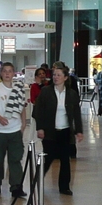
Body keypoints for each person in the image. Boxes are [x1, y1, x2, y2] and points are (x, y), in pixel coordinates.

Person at [33, 62, 84, 194]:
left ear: (66, 77)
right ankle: (37, 180)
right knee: (48, 158)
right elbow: (38, 111)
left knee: (65, 160)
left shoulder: (72, 94)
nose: (55, 77)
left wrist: (78, 131)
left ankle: (64, 187)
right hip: (50, 131)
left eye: (59, 75)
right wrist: (40, 128)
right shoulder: (46, 92)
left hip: (65, 131)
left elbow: (76, 114)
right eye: (54, 75)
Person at [0, 62, 28, 197]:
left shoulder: (18, 88)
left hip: (15, 129)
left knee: (15, 159)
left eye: (10, 71)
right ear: (1, 73)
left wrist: (23, 124)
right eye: (4, 71)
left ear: (13, 73)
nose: (7, 73)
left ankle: (16, 186)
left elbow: (22, 107)